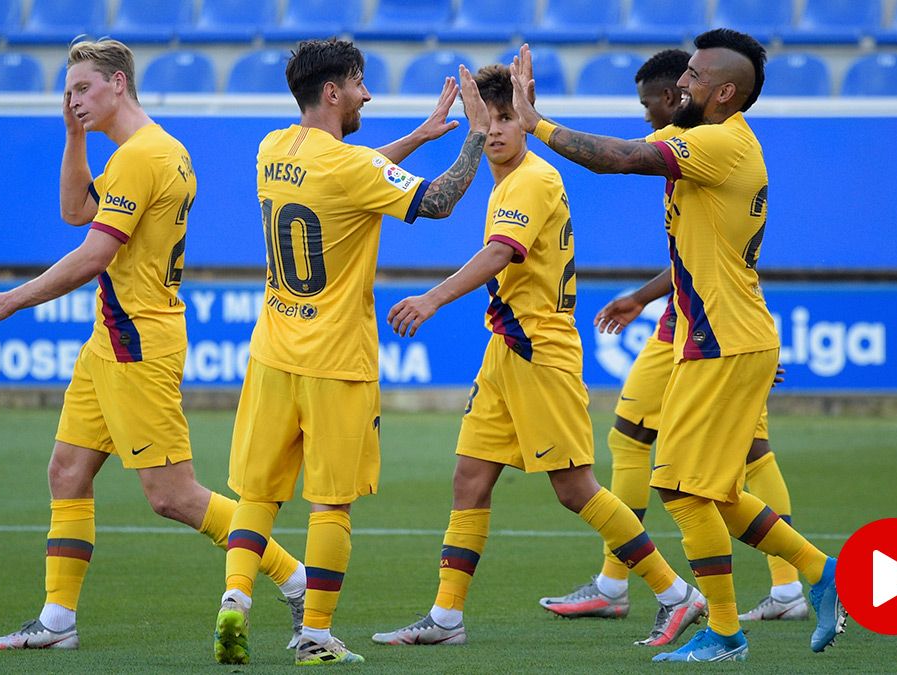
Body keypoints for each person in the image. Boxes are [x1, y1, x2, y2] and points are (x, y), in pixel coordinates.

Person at [508, 32, 846, 662]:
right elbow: (647, 172)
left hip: (725, 341)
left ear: (724, 93)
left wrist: (537, 124)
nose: (679, 86)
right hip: (714, 337)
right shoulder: (699, 140)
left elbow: (618, 159)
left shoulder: (719, 142)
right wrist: (644, 296)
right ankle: (817, 573)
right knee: (707, 490)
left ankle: (725, 631)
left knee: (680, 487)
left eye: (692, 76)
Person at [0, 38, 307, 651]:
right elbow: (77, 210)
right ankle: (57, 621)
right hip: (114, 337)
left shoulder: (140, 158)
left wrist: (10, 299)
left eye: (84, 89)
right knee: (67, 471)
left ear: (118, 84)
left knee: (172, 496)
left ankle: (294, 578)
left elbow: (94, 252)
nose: (74, 100)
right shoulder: (157, 149)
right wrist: (74, 135)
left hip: (137, 340)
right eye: (68, 92)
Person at [369, 64, 705, 652]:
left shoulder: (529, 180)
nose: (495, 129)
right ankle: (446, 619)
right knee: (469, 480)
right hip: (506, 348)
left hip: (539, 350)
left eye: (506, 118)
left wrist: (432, 298)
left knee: (575, 489)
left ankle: (677, 594)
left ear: (524, 120)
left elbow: (501, 252)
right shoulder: (508, 179)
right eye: (487, 118)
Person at [213, 38, 491, 667]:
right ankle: (314, 634)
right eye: (361, 83)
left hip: (271, 355)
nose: (368, 94)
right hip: (337, 361)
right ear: (333, 91)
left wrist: (419, 138)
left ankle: (236, 599)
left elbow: (351, 177)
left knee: (258, 495)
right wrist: (474, 135)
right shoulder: (352, 168)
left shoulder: (272, 149)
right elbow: (437, 202)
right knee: (329, 502)